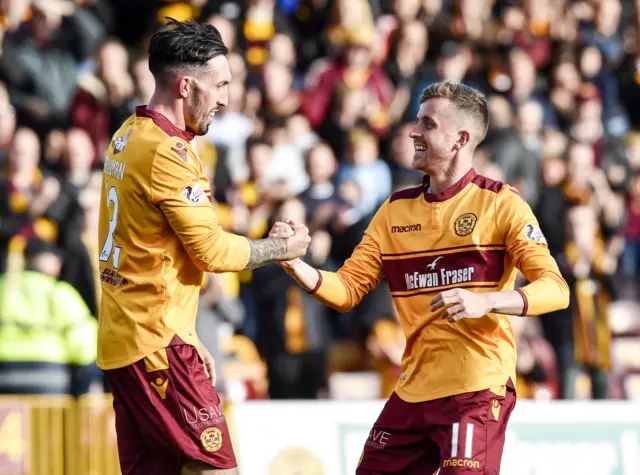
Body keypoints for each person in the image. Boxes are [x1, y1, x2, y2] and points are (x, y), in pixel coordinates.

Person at [270, 81, 570, 475]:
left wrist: (487, 300)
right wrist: (294, 263)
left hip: (475, 390)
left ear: (460, 139)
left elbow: (556, 289)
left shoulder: (502, 205)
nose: (412, 132)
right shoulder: (394, 211)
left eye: (427, 124)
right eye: (416, 122)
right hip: (412, 392)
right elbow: (346, 290)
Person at [96, 19, 310, 475]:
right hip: (156, 341)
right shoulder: (167, 154)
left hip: (126, 340)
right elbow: (210, 252)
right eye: (221, 86)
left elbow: (149, 250)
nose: (227, 99)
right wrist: (282, 248)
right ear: (187, 84)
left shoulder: (127, 134)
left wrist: (189, 335)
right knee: (216, 470)